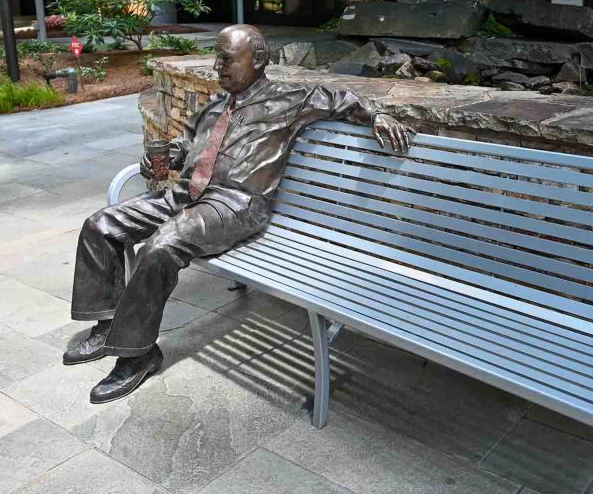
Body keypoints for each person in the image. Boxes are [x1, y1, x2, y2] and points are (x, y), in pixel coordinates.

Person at [65, 24, 412, 403]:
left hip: (236, 203)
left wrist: (377, 115)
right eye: (217, 59)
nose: (217, 67)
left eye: (227, 59)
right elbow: (185, 145)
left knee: (161, 246)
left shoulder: (290, 98)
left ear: (259, 59)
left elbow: (342, 98)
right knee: (101, 224)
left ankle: (138, 353)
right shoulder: (215, 107)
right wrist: (163, 159)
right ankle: (106, 323)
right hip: (187, 194)